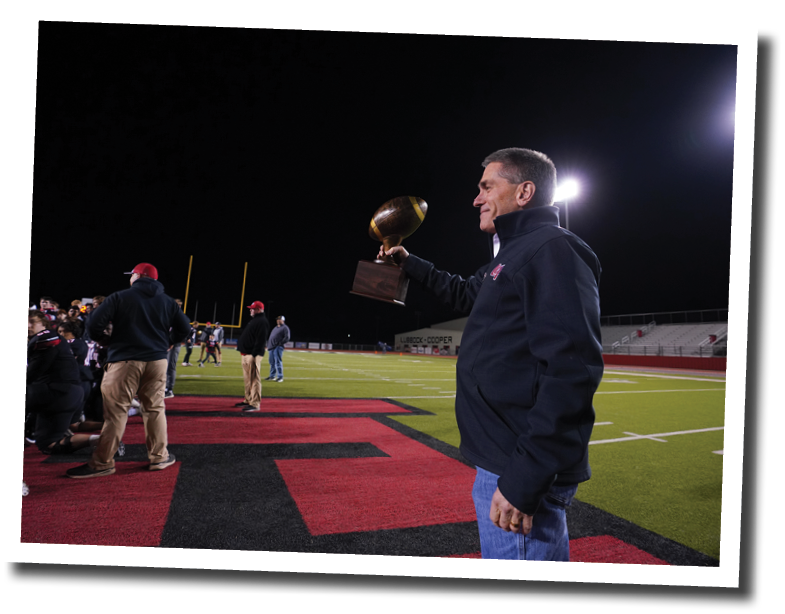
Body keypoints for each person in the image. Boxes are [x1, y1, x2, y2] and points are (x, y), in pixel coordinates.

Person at [380, 148, 603, 561]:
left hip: (517, 464)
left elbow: (572, 370)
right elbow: (464, 292)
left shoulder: (551, 248)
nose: (476, 199)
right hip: (503, 457)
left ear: (524, 192)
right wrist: (407, 261)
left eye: (487, 186)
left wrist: (526, 477)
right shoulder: (513, 253)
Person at [66, 262, 191, 478]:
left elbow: (93, 324)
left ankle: (103, 462)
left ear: (137, 276)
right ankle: (159, 457)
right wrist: (167, 342)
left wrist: (106, 340)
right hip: (157, 361)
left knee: (116, 413)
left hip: (125, 361)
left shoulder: (120, 297)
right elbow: (185, 328)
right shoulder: (168, 301)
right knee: (154, 409)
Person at [26, 310, 95, 455]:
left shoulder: (44, 337)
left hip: (57, 392)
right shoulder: (54, 337)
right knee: (49, 444)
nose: (27, 325)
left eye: (32, 321)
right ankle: (100, 440)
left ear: (44, 323)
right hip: (70, 392)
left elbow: (33, 373)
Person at [235, 301, 269, 412]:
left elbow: (260, 340)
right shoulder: (256, 320)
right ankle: (248, 399)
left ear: (259, 309)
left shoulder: (262, 321)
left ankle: (255, 404)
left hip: (252, 355)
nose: (250, 310)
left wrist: (254, 355)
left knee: (254, 380)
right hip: (246, 354)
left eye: (253, 309)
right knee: (248, 380)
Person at [165, 298, 185, 398]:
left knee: (171, 366)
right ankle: (164, 387)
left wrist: (173, 341)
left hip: (174, 344)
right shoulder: (169, 315)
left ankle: (169, 389)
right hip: (166, 343)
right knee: (164, 366)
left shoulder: (179, 317)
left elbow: (184, 331)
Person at [265, 315, 290, 382]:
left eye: (279, 319)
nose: (278, 320)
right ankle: (272, 376)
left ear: (283, 320)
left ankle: (280, 377)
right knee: (272, 362)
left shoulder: (285, 328)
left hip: (278, 347)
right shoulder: (275, 328)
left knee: (278, 362)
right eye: (277, 319)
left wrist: (280, 343)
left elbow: (287, 337)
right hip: (271, 347)